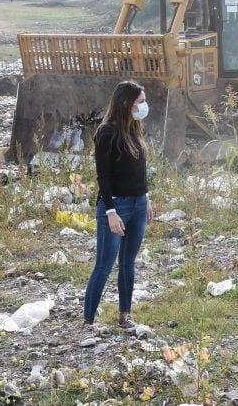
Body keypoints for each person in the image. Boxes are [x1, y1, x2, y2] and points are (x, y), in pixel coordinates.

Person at [82, 81, 153, 336]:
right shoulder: (106, 133)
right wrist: (110, 212)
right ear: (126, 103)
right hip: (117, 205)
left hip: (138, 203)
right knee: (104, 263)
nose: (144, 106)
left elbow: (139, 169)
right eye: (140, 101)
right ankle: (88, 322)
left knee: (128, 262)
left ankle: (125, 315)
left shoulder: (134, 128)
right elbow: (104, 177)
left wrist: (146, 197)